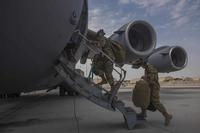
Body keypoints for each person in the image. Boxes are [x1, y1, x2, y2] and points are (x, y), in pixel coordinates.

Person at [133, 59, 173, 126]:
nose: (140, 66)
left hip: (154, 88)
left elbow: (151, 80)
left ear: (143, 63)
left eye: (140, 64)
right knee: (144, 99)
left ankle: (167, 116)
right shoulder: (147, 67)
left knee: (156, 102)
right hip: (149, 87)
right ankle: (143, 114)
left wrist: (145, 78)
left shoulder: (150, 68)